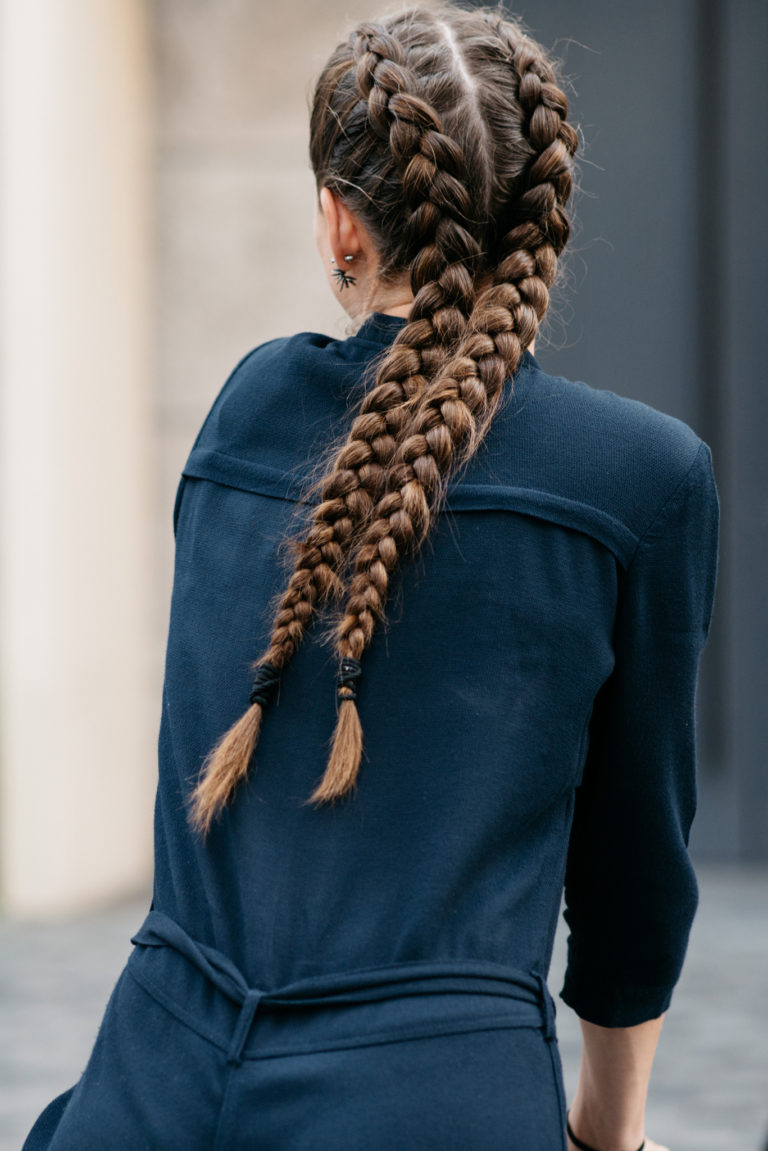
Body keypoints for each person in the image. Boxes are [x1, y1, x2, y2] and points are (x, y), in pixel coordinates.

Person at [23, 5, 719, 1150]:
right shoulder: (640, 478)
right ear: (541, 218)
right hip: (436, 1104)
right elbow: (634, 869)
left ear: (340, 223)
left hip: (152, 1087)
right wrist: (609, 1129)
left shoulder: (250, 408)